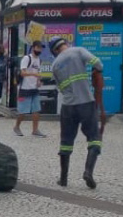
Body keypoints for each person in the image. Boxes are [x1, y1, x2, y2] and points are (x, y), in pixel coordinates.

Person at [49, 37, 106, 189]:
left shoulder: (54, 65)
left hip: (68, 106)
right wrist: (97, 72)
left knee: (66, 142)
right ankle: (88, 171)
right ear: (65, 44)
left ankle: (63, 178)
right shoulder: (78, 51)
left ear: (54, 51)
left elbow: (60, 87)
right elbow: (98, 64)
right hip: (86, 102)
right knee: (94, 138)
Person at [14, 40, 46, 137]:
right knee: (22, 111)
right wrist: (33, 74)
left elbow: (38, 74)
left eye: (41, 48)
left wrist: (39, 81)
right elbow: (22, 73)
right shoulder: (27, 58)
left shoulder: (39, 60)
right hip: (24, 89)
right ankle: (16, 127)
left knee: (36, 110)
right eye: (38, 48)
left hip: (34, 89)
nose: (39, 50)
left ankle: (35, 130)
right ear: (33, 48)